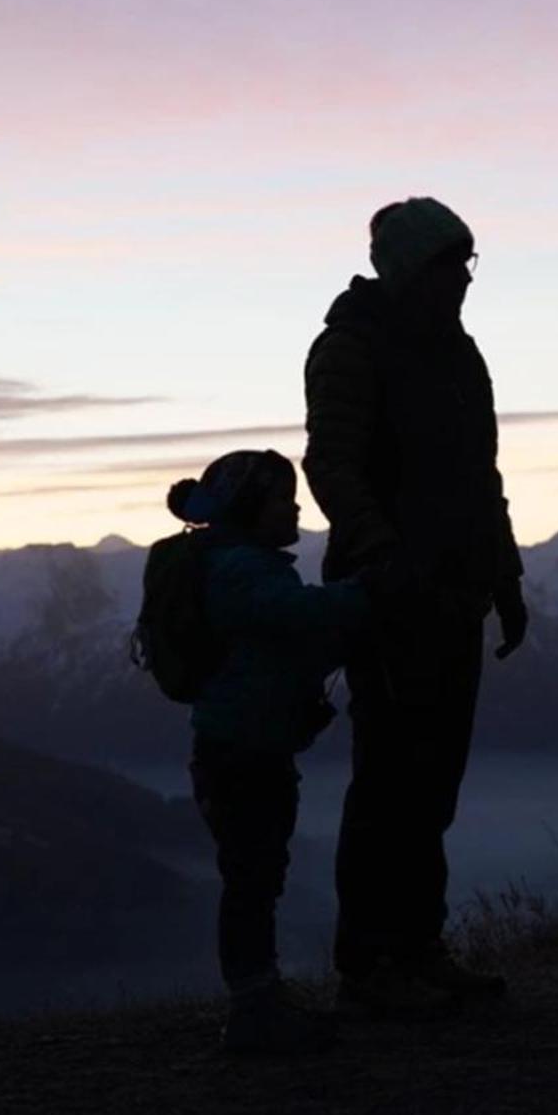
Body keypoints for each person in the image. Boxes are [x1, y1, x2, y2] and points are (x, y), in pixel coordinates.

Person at [304, 197, 529, 1016]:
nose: (464, 279)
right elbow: (330, 464)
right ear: (408, 267)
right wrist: (382, 554)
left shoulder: (460, 356)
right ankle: (370, 964)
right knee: (389, 779)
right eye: (449, 263)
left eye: (469, 263)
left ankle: (419, 945)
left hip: (455, 595)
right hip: (388, 598)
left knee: (431, 781)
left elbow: (483, 478)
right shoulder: (350, 348)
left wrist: (504, 576)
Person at [169, 449, 371, 1054]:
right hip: (244, 754)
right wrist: (368, 593)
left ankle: (260, 998)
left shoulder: (232, 564)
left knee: (257, 875)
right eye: (284, 499)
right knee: (253, 878)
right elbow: (296, 616)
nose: (297, 507)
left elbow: (282, 643)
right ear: (252, 508)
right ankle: (255, 1012)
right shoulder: (242, 570)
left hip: (240, 748)